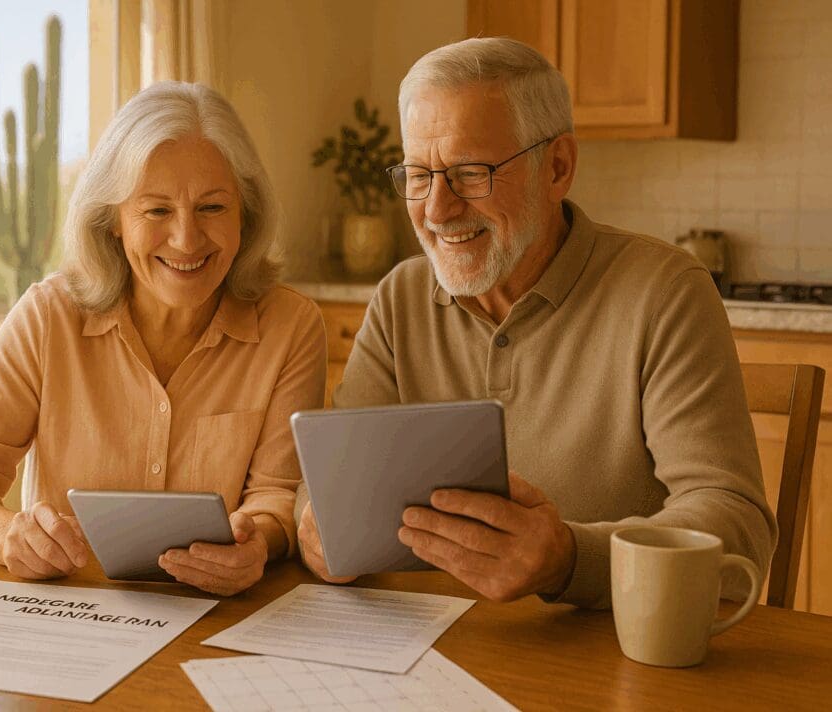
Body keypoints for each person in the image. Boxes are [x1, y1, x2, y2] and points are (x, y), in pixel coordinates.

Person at [295, 37, 776, 609]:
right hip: (431, 649)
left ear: (558, 167)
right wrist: (315, 524)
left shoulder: (665, 292)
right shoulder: (400, 296)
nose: (437, 209)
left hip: (610, 660)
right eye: (419, 175)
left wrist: (569, 559)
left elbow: (735, 522)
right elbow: (328, 479)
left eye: (471, 173)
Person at [0, 82, 326, 596]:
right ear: (113, 223)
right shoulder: (48, 317)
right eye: (156, 211)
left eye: (213, 208)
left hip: (220, 623)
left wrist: (257, 541)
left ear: (247, 214)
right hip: (69, 622)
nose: (187, 240)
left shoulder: (292, 326)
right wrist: (5, 536)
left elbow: (279, 496)